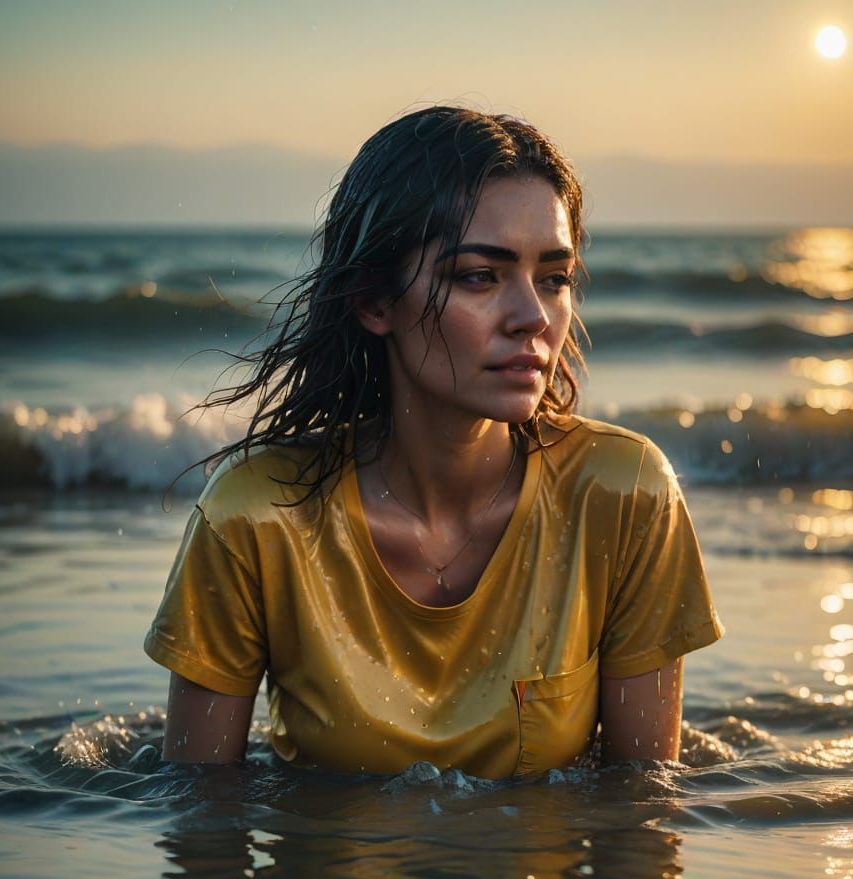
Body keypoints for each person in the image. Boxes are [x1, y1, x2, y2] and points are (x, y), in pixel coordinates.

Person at [144, 106, 724, 777]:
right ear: (374, 303)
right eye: (480, 276)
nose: (533, 317)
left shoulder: (623, 496)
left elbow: (643, 818)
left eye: (554, 278)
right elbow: (199, 825)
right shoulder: (256, 519)